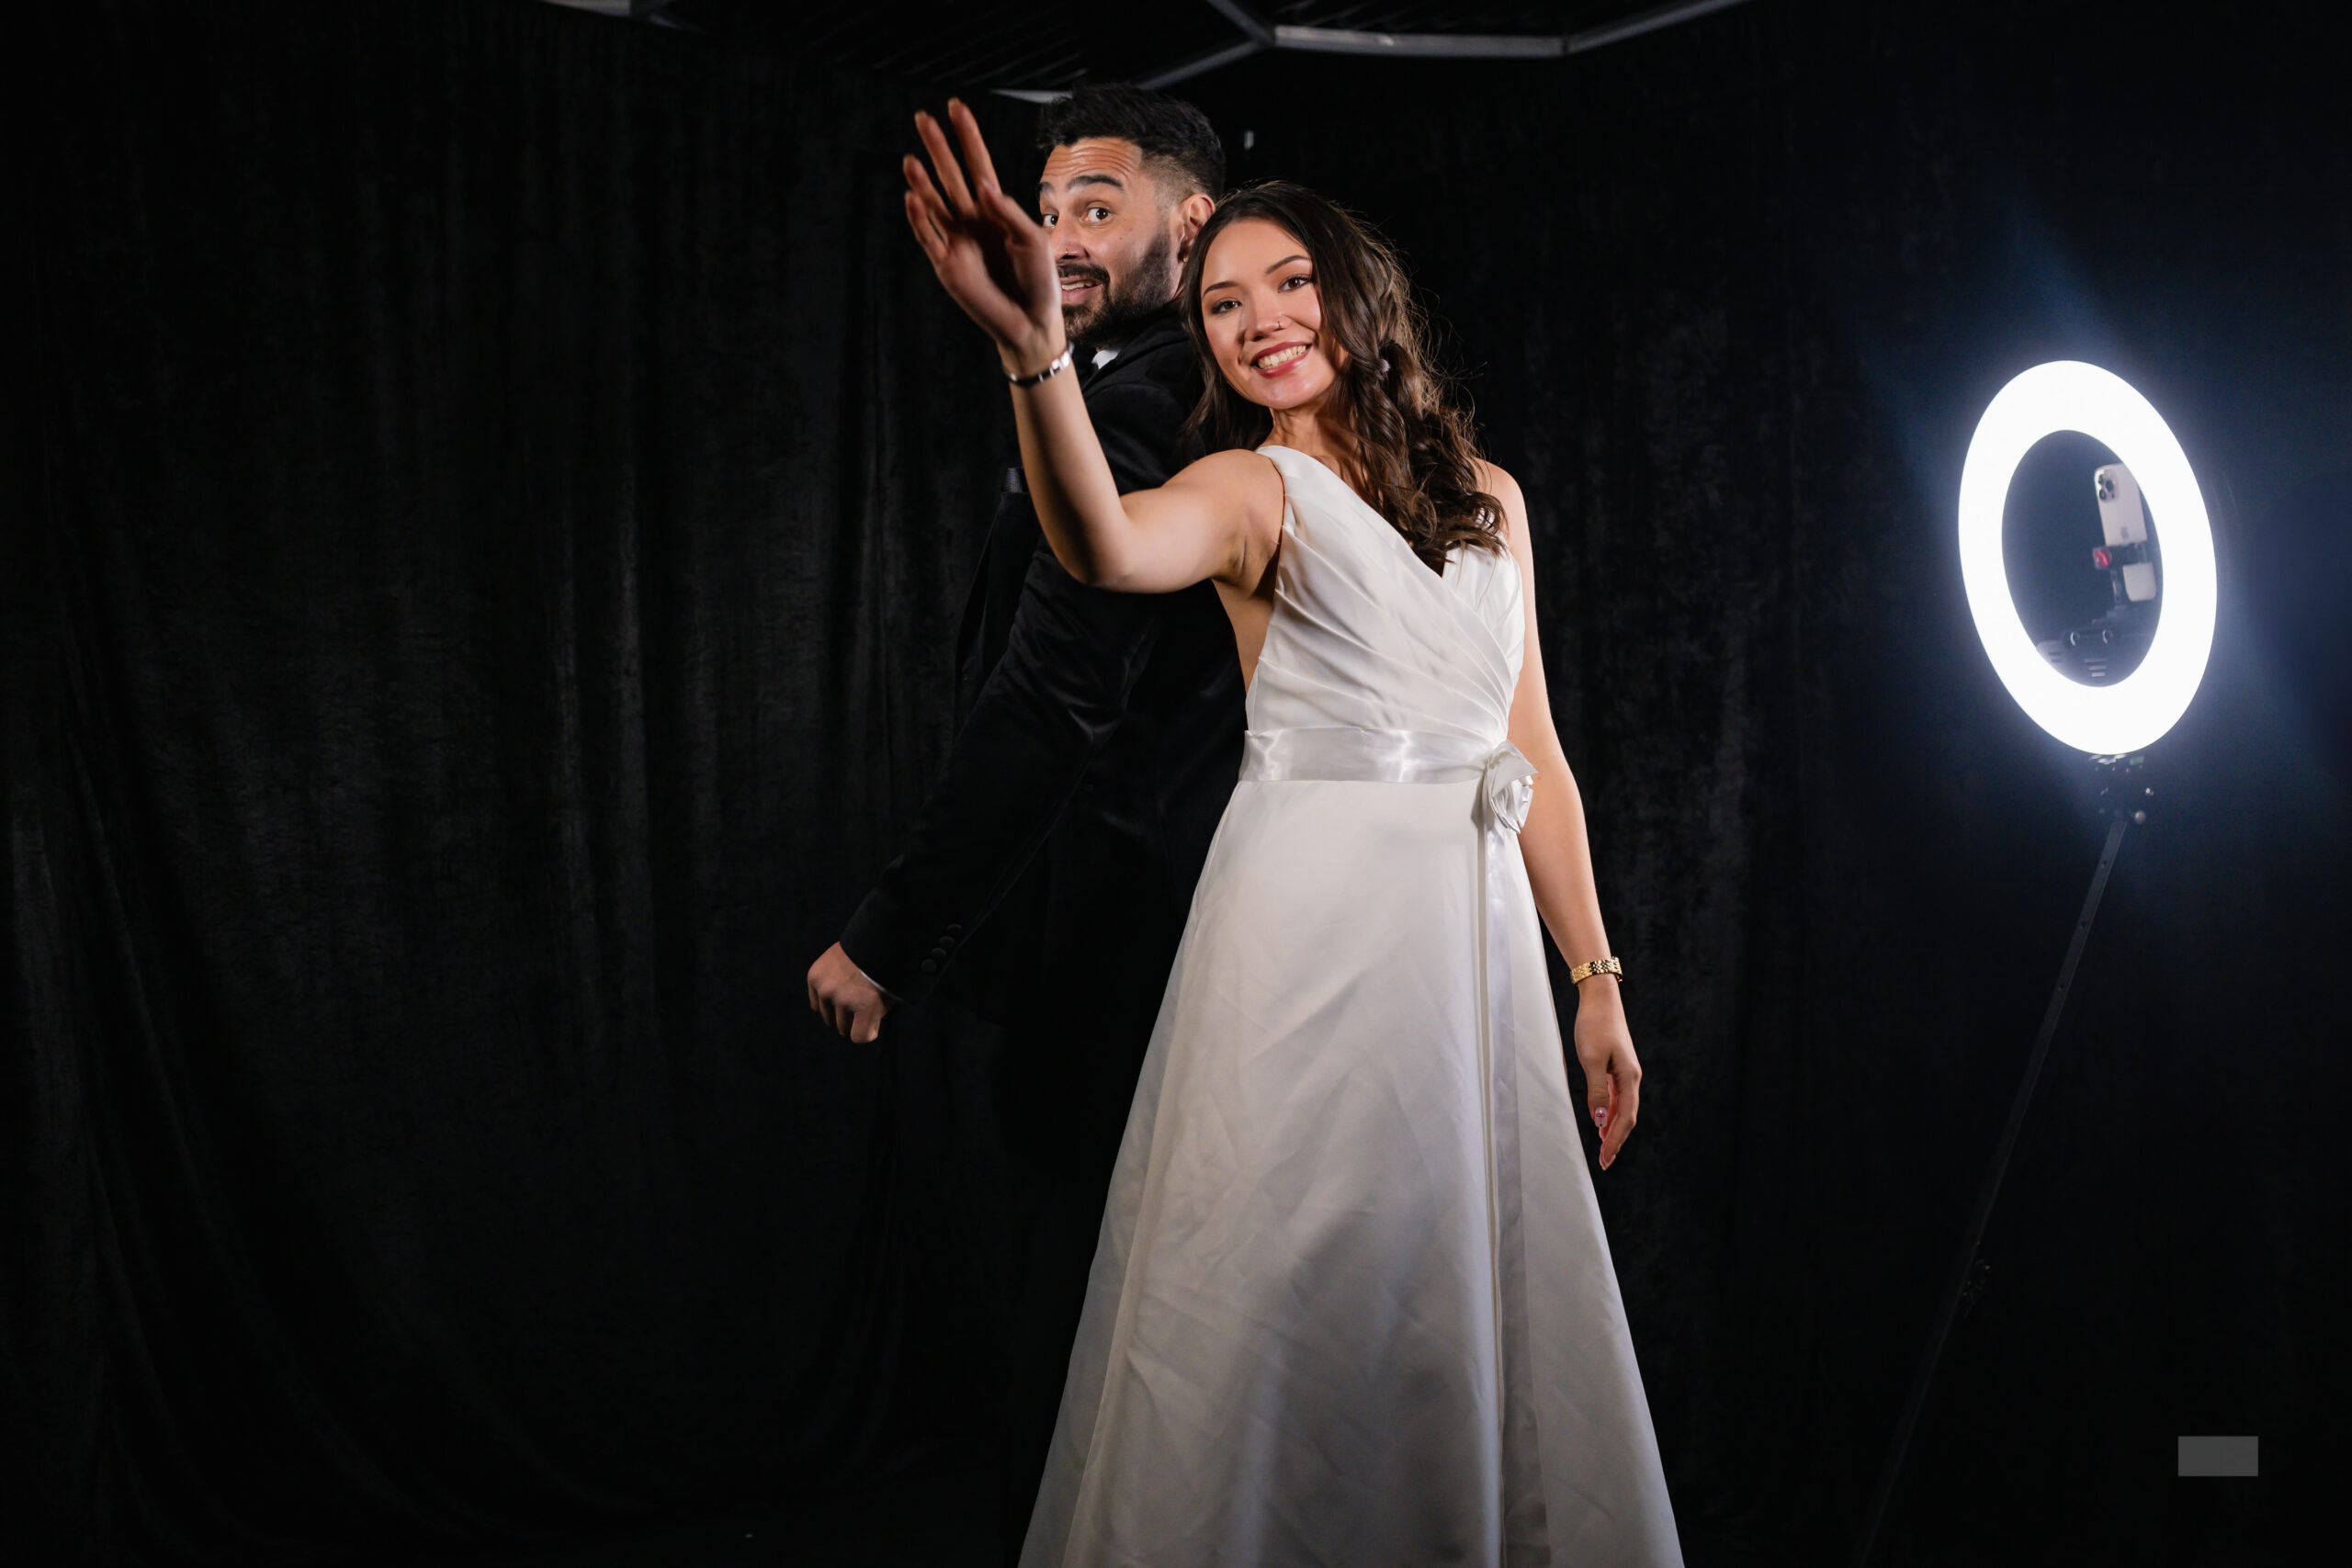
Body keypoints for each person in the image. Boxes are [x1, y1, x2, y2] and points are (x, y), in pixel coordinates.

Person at [901, 100, 1685, 1565]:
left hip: (1465, 958)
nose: (1260, 321)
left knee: (1449, 1286)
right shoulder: (1249, 488)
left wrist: (1594, 980)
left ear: (1358, 293)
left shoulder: (1493, 503)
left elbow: (1532, 754)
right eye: (1222, 304)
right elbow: (1105, 546)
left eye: (1290, 282)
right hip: (1304, 953)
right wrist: (1033, 352)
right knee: (1285, 1292)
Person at [804, 86, 1247, 1563]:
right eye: (1048, 207)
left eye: (1096, 208)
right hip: (1168, 938)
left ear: (1193, 224)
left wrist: (892, 933)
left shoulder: (1149, 407)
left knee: (1084, 1341)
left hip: (1121, 951)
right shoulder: (1139, 389)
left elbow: (1056, 700)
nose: (1057, 236)